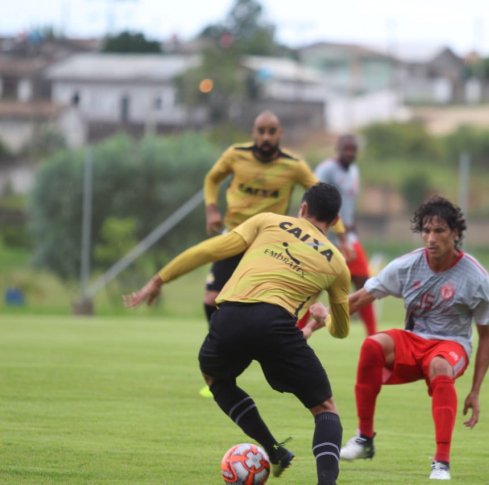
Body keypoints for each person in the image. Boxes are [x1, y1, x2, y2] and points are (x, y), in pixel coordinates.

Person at [124, 183, 351, 485]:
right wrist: (322, 320)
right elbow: (342, 330)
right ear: (335, 221)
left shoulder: (269, 220)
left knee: (215, 378)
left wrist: (159, 279)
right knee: (324, 408)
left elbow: (208, 250)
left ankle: (274, 450)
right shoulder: (337, 263)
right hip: (276, 325)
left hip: (230, 315)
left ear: (303, 208)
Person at [306, 196, 489, 481]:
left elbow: (487, 337)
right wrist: (309, 328)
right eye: (426, 231)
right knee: (372, 345)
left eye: (440, 231)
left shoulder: (476, 277)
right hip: (413, 340)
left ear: (455, 233)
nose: (431, 238)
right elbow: (357, 300)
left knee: (440, 367)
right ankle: (364, 439)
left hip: (452, 345)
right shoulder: (406, 266)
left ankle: (441, 463)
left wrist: (476, 390)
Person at [201, 110, 349, 397]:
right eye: (261, 131)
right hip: (235, 236)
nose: (266, 137)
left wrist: (341, 237)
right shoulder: (235, 154)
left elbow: (322, 200)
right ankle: (223, 360)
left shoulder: (293, 165)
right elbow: (212, 178)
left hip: (272, 243)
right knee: (211, 299)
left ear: (280, 134)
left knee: (271, 305)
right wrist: (210, 208)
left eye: (272, 131)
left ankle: (269, 351)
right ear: (254, 133)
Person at [297, 134, 377, 336]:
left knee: (366, 284)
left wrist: (353, 234)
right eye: (345, 148)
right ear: (338, 148)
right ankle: (295, 334)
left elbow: (349, 208)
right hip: (327, 238)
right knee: (312, 290)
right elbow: (315, 199)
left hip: (349, 239)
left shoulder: (354, 171)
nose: (349, 152)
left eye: (353, 149)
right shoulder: (326, 169)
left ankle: (373, 336)